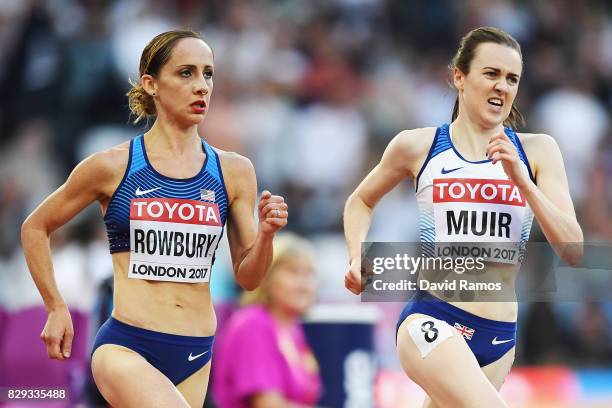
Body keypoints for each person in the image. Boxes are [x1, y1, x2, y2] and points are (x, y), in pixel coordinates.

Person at [20, 30, 288, 408]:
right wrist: (55, 306)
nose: (201, 86)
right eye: (186, 73)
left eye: (208, 74)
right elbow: (35, 226)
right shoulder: (113, 166)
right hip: (126, 345)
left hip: (196, 352)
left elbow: (249, 277)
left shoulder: (234, 171)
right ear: (151, 84)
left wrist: (267, 236)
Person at [343, 26, 583, 407]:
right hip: (433, 318)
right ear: (459, 76)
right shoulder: (418, 146)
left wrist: (525, 184)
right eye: (491, 74)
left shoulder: (538, 151)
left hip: (499, 336)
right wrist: (357, 255)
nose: (502, 87)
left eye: (512, 79)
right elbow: (360, 200)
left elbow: (572, 250)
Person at [212, 233, 321, 408]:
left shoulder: (293, 330)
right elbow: (268, 404)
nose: (304, 284)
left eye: (309, 274)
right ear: (267, 279)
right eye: (293, 272)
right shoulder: (252, 325)